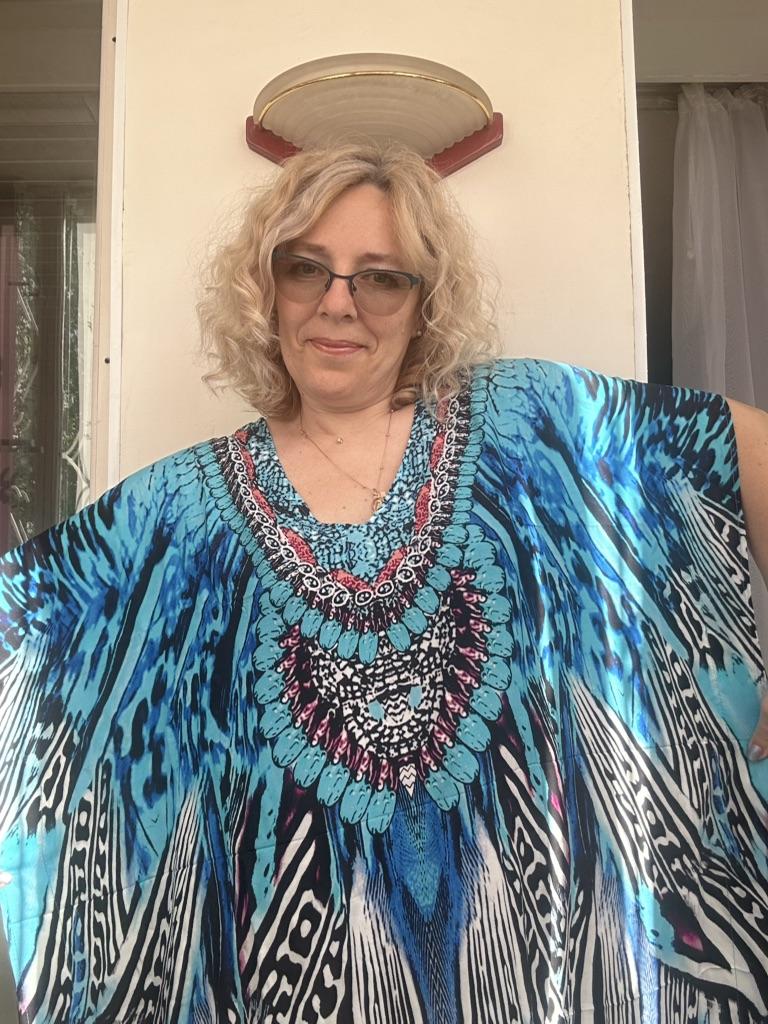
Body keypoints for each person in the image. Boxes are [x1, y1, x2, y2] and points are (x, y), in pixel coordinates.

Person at [0, 141, 767, 1024]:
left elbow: (738, 449)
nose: (338, 302)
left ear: (423, 302)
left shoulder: (533, 425)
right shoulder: (177, 513)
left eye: (381, 277)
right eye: (306, 268)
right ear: (265, 287)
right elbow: (28, 639)